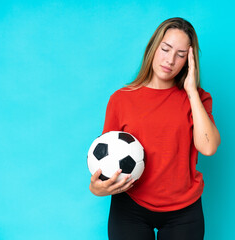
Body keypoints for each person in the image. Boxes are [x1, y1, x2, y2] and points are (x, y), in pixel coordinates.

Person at [89, 17, 221, 240]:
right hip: (130, 207)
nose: (170, 60)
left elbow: (208, 147)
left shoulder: (198, 98)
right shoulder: (121, 99)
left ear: (189, 61)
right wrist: (97, 188)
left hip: (184, 210)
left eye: (180, 55)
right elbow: (106, 161)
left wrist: (191, 90)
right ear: (154, 47)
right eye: (166, 49)